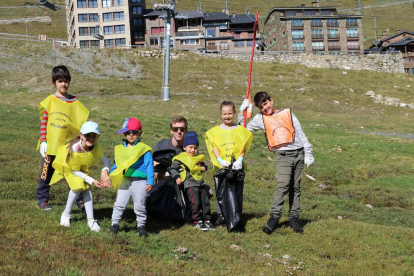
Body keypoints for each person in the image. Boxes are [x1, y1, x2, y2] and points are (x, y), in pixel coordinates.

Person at [239, 92, 314, 234]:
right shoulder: (260, 119)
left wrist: (308, 151)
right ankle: (274, 217)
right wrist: (242, 112)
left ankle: (294, 218)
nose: (265, 108)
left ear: (271, 100)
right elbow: (242, 129)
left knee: (295, 187)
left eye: (266, 103)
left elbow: (300, 132)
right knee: (283, 185)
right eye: (262, 107)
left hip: (299, 153)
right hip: (283, 156)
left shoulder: (287, 113)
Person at [36, 65, 89, 210]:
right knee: (46, 172)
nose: (63, 84)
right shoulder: (50, 101)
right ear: (54, 82)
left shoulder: (74, 102)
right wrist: (43, 141)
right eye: (60, 81)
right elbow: (44, 122)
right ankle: (42, 199)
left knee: (74, 171)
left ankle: (79, 199)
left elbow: (80, 122)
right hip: (51, 145)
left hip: (69, 145)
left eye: (66, 81)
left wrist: (81, 140)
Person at [50, 121, 112, 232]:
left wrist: (104, 172)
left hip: (83, 170)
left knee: (87, 190)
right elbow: (75, 170)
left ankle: (90, 220)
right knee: (78, 186)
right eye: (88, 135)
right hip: (71, 170)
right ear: (81, 135)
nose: (91, 138)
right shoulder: (74, 149)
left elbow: (106, 161)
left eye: (94, 136)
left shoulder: (96, 147)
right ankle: (66, 213)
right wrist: (92, 180)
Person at [205, 101, 253, 229]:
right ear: (220, 114)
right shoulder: (215, 131)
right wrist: (219, 160)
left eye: (230, 113)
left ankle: (236, 215)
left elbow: (243, 146)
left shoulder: (239, 130)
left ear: (234, 113)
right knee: (221, 191)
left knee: (236, 191)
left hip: (236, 166)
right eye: (224, 114)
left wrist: (240, 160)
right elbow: (214, 146)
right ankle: (222, 215)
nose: (227, 116)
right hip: (221, 166)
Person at [108, 118, 154, 237]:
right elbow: (116, 165)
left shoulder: (144, 149)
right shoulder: (119, 149)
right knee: (119, 203)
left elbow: (149, 165)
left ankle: (141, 226)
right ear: (124, 133)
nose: (131, 135)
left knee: (139, 205)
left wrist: (150, 181)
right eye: (129, 132)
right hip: (125, 181)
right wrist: (111, 177)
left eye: (135, 132)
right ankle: (114, 224)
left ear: (140, 133)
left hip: (141, 182)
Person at [169, 132, 214, 231]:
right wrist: (177, 177)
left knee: (205, 202)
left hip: (200, 183)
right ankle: (196, 220)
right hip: (189, 184)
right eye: (190, 147)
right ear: (184, 147)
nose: (193, 150)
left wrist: (204, 167)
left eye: (195, 147)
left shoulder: (197, 157)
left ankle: (207, 219)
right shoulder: (181, 158)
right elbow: (172, 168)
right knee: (195, 202)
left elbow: (204, 164)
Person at [153, 116, 188, 181]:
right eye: (175, 129)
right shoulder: (160, 147)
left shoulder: (191, 149)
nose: (179, 132)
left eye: (182, 129)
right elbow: (155, 173)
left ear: (186, 131)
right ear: (171, 131)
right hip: (165, 185)